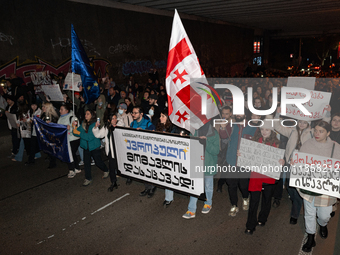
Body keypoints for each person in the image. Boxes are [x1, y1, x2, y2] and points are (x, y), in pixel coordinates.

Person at [273, 105, 331, 224]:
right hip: (290, 163)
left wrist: (327, 113)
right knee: (290, 187)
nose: (302, 124)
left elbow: (324, 125)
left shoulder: (312, 133)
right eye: (300, 122)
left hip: (303, 166)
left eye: (305, 122)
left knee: (298, 190)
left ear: (309, 124)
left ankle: (295, 213)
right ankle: (296, 202)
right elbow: (277, 126)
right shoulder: (292, 130)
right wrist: (277, 114)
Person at [296, 121, 340, 252]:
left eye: (321, 131)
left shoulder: (335, 147)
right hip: (309, 186)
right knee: (309, 213)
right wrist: (295, 162)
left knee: (324, 215)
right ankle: (310, 236)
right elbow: (300, 163)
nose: (317, 134)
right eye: (315, 130)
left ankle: (323, 224)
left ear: (328, 133)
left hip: (325, 187)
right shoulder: (308, 144)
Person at [244, 119, 285, 234]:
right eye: (262, 129)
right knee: (254, 200)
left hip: (268, 175)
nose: (264, 132)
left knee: (267, 199)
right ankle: (250, 225)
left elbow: (282, 158)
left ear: (272, 130)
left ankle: (262, 218)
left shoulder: (277, 143)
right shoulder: (255, 140)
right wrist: (242, 154)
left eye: (267, 129)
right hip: (256, 175)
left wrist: (282, 161)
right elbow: (249, 155)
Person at [182, 120, 220, 219]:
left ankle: (208, 203)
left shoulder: (214, 133)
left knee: (208, 186)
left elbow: (216, 151)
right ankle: (191, 210)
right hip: (197, 163)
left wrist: (206, 142)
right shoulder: (194, 132)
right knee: (194, 187)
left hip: (208, 164)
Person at [226, 112, 257, 217]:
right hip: (231, 161)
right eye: (237, 113)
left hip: (244, 163)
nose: (238, 115)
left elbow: (257, 144)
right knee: (231, 185)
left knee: (243, 185)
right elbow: (223, 135)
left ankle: (245, 197)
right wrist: (222, 128)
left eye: (241, 113)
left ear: (245, 114)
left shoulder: (253, 127)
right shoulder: (231, 125)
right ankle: (234, 205)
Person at [73, 109, 109, 186]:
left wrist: (79, 133)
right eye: (85, 114)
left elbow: (89, 137)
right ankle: (88, 178)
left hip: (94, 147)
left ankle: (106, 170)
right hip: (86, 147)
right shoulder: (83, 123)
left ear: (92, 115)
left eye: (88, 114)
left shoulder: (95, 124)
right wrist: (74, 127)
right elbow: (75, 132)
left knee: (98, 162)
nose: (86, 115)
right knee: (86, 163)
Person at [130, 106, 156, 197]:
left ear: (141, 114)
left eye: (135, 113)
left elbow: (153, 131)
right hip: (138, 150)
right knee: (143, 170)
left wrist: (143, 131)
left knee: (149, 169)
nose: (133, 114)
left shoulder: (147, 123)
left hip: (147, 151)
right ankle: (147, 188)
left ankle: (152, 187)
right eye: (132, 113)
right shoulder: (132, 124)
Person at [93, 113, 119, 191]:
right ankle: (114, 182)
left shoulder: (120, 126)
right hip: (111, 151)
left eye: (115, 118)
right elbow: (98, 135)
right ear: (109, 120)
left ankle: (128, 178)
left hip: (119, 150)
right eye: (113, 119)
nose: (115, 120)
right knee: (111, 167)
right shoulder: (106, 128)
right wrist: (96, 127)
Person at [155, 109, 174, 207]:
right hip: (161, 154)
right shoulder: (159, 126)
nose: (160, 118)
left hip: (170, 156)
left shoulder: (173, 128)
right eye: (160, 116)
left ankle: (168, 198)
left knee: (169, 176)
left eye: (163, 116)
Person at [58, 104, 81, 178]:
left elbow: (77, 128)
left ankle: (71, 169)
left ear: (66, 110)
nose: (60, 111)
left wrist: (70, 128)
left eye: (61, 109)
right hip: (66, 140)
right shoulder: (60, 119)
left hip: (73, 139)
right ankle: (76, 167)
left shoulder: (73, 118)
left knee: (69, 154)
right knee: (72, 154)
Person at [215, 106, 233, 193]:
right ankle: (219, 183)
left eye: (227, 113)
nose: (224, 115)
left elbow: (225, 136)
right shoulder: (217, 122)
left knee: (225, 168)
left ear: (231, 114)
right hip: (220, 149)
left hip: (229, 150)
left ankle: (220, 184)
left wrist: (223, 128)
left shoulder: (234, 123)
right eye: (223, 113)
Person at [40, 102, 59, 168]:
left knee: (51, 149)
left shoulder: (53, 116)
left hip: (51, 135)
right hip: (45, 134)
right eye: (42, 106)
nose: (43, 108)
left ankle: (53, 163)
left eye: (44, 107)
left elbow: (56, 126)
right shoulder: (43, 115)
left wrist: (51, 124)